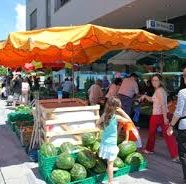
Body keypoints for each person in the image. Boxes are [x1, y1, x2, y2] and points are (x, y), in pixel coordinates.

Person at [140, 74, 178, 161]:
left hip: (160, 115)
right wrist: (145, 96)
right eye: (153, 80)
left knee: (168, 135)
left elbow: (164, 105)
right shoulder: (158, 90)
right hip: (156, 115)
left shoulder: (160, 91)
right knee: (153, 133)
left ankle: (175, 156)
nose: (154, 82)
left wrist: (165, 118)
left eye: (156, 80)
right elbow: (153, 99)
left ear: (160, 81)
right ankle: (149, 149)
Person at [97, 97, 134, 184]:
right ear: (116, 107)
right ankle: (110, 181)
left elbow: (97, 123)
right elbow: (129, 120)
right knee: (110, 163)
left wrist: (103, 129)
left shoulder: (104, 115)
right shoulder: (116, 117)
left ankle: (110, 168)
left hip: (105, 142)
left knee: (109, 160)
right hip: (111, 144)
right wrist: (122, 112)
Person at [167, 88, 186, 182]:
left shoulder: (183, 92)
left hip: (185, 125)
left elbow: (178, 112)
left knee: (184, 153)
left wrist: (171, 125)